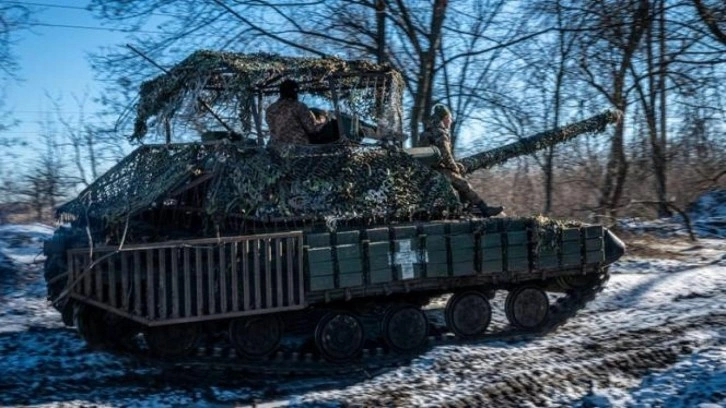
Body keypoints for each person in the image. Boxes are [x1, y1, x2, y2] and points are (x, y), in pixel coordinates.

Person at [421, 104, 503, 217]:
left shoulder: (428, 131)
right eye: (449, 118)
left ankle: (468, 207)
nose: (450, 121)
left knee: (458, 175)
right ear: (444, 119)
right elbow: (446, 156)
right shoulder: (440, 133)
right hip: (437, 170)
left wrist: (456, 166)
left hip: (428, 169)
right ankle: (483, 208)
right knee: (462, 183)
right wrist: (455, 168)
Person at [265, 79, 329, 145]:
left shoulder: (270, 109)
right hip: (298, 149)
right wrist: (325, 120)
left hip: (277, 150)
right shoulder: (298, 106)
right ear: (294, 92)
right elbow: (312, 129)